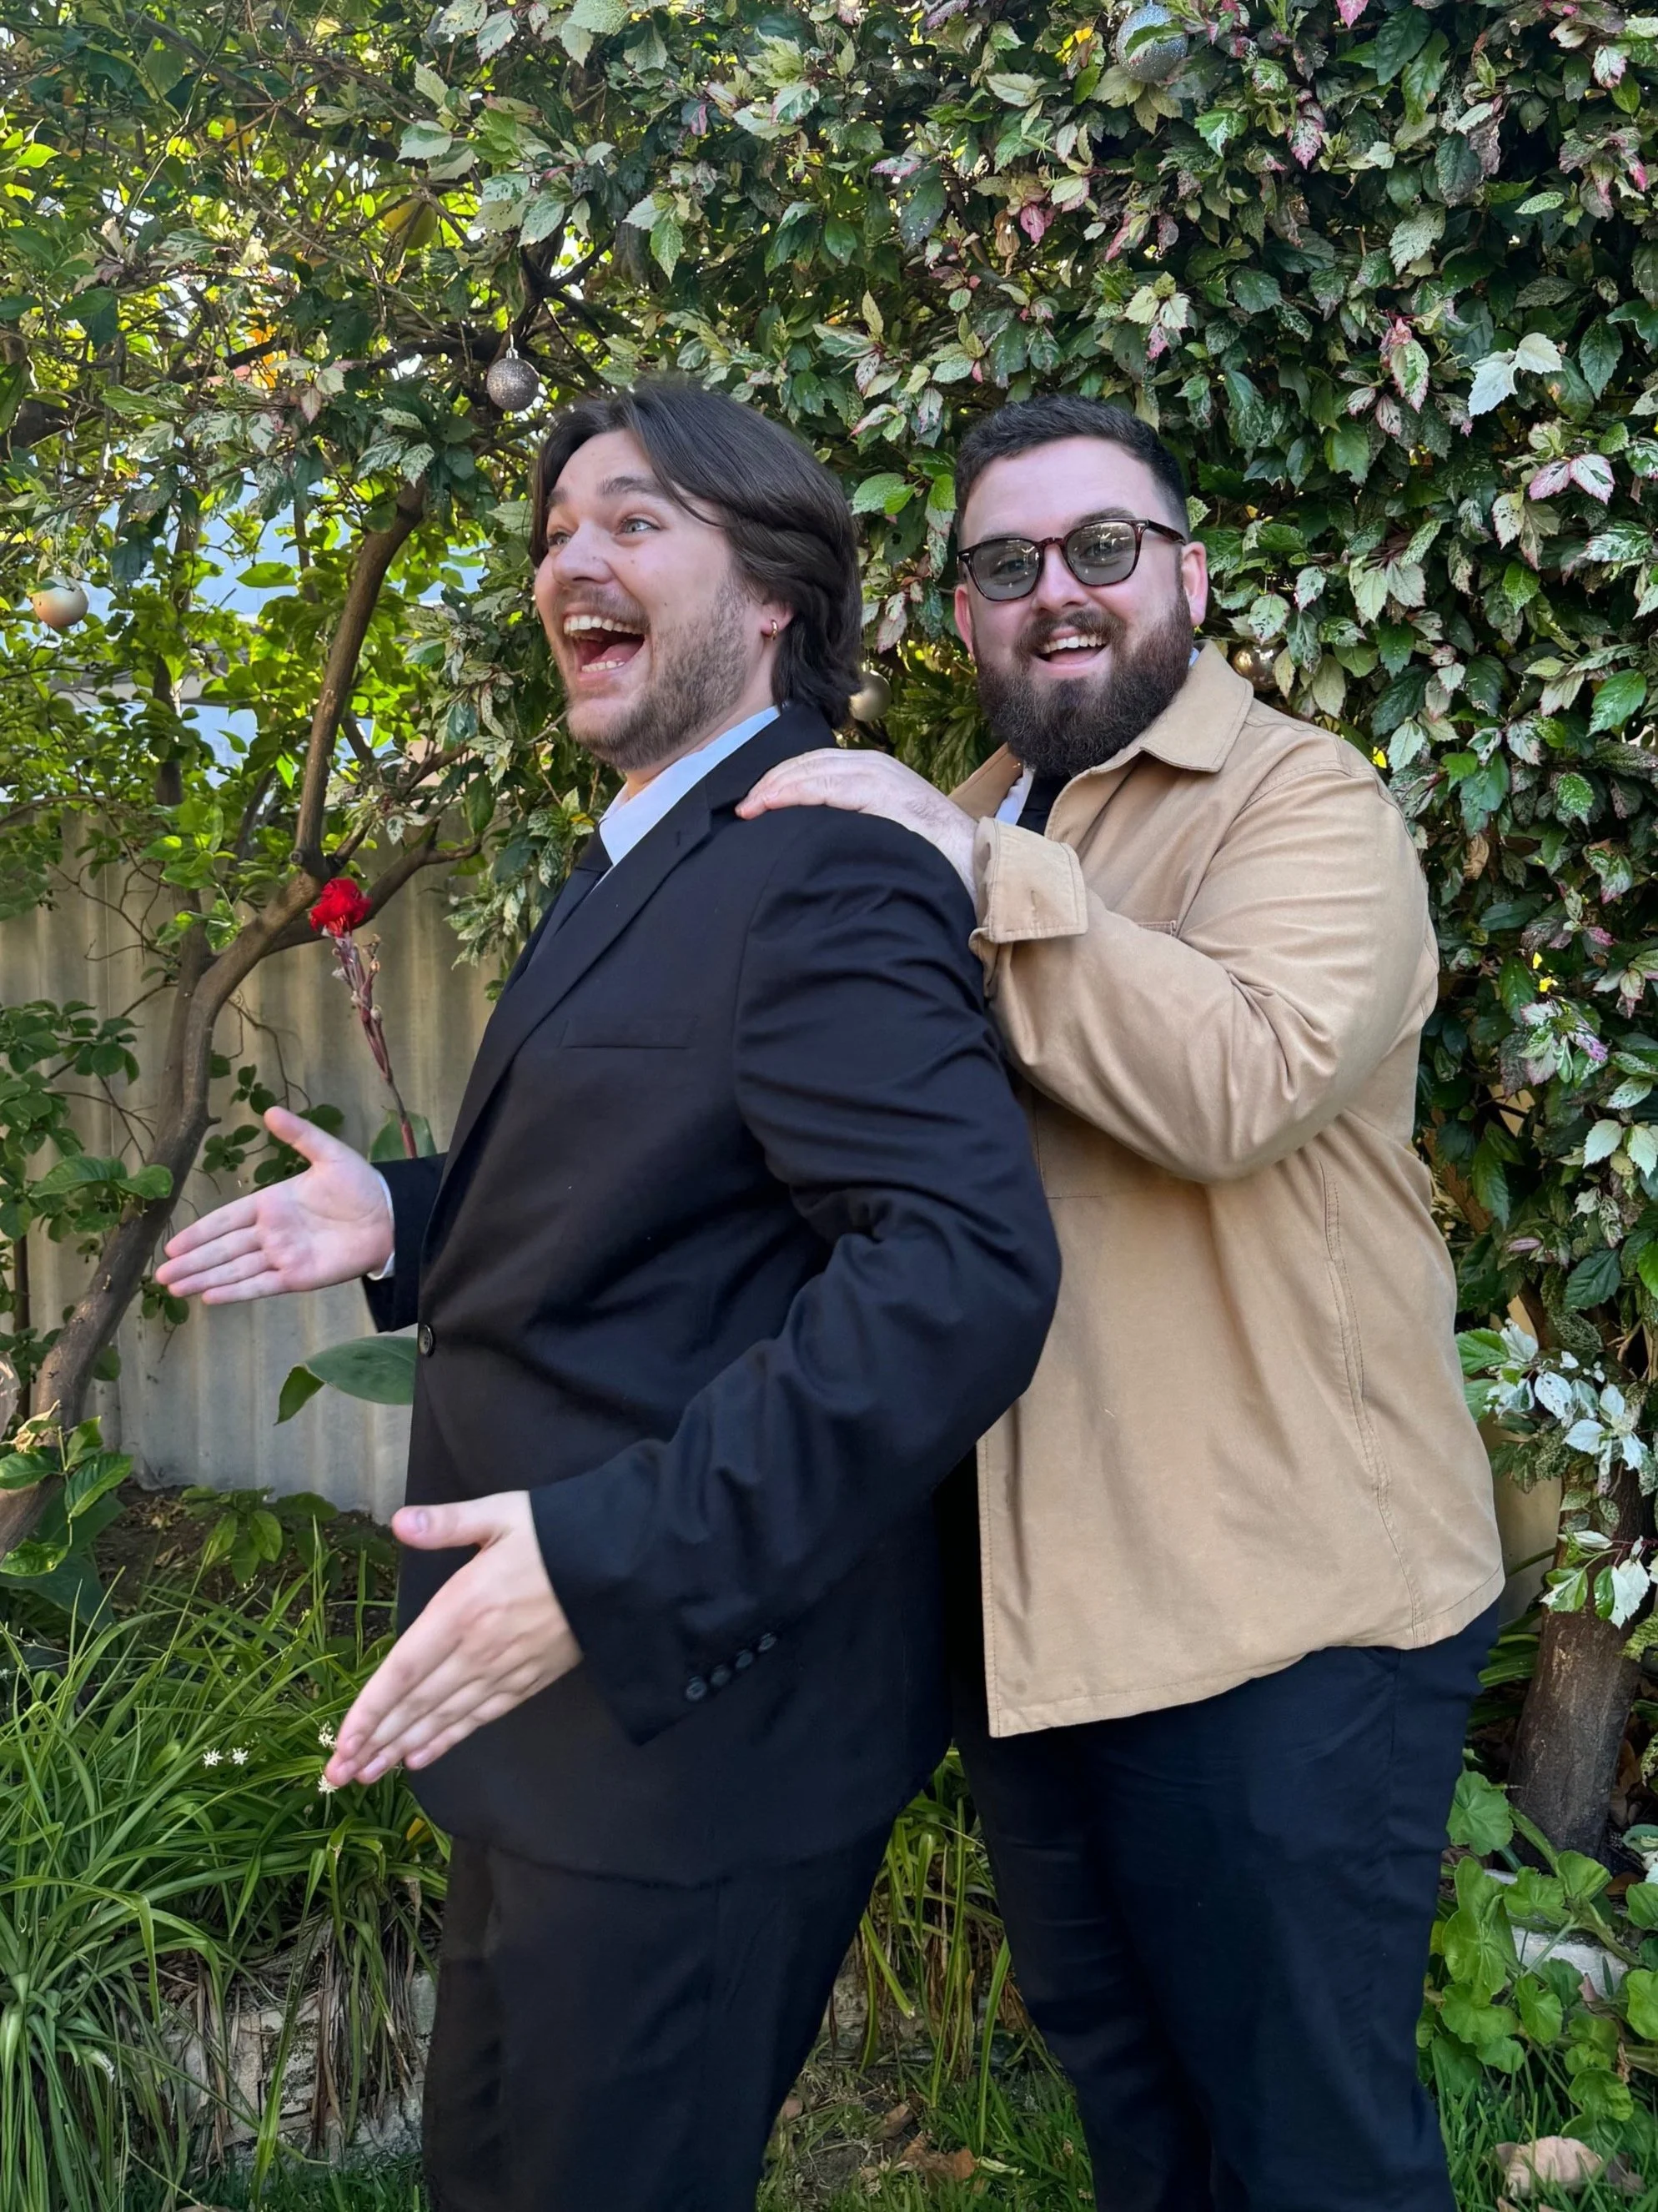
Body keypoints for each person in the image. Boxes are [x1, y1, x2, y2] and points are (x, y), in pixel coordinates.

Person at [157, 380, 1059, 2212]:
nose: (575, 552)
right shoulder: (641, 849)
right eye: (561, 527)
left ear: (775, 593)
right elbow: (675, 1187)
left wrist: (613, 1557)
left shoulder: (818, 859)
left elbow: (962, 1268)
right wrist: (406, 1223)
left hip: (691, 1738)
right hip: (548, 1743)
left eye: (637, 520)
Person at [740, 393, 1505, 2212]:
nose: (1056, 594)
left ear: (1191, 574)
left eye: (1101, 548)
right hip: (1042, 1618)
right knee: (1138, 2126)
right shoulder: (969, 815)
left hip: (1285, 1612)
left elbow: (1239, 1082)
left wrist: (965, 864)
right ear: (958, 613)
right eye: (1005, 566)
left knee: (1307, 2150)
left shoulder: (1306, 800)